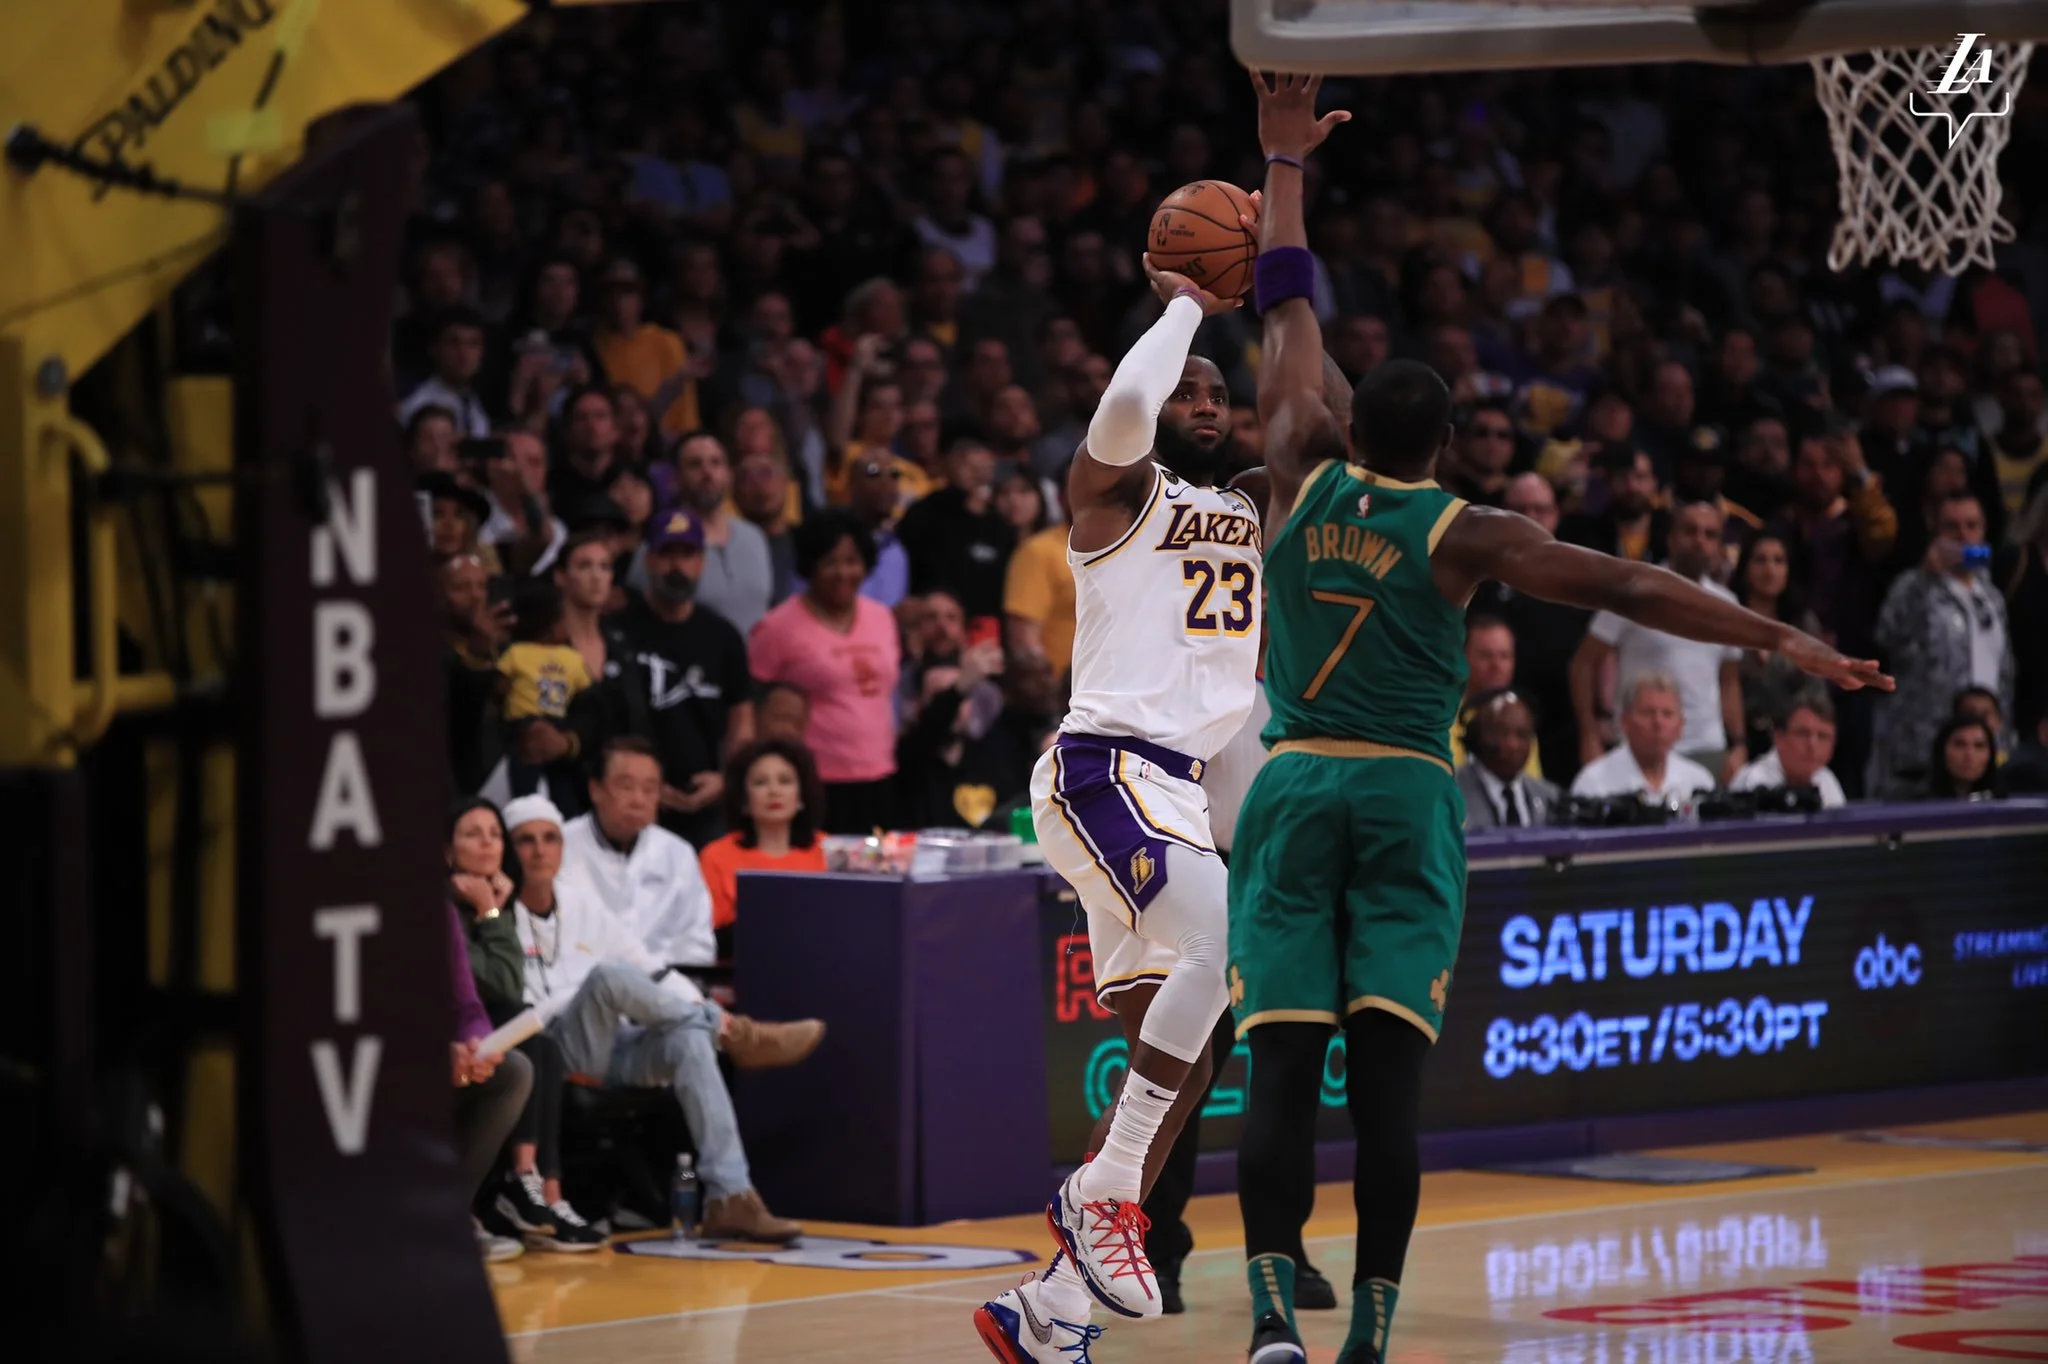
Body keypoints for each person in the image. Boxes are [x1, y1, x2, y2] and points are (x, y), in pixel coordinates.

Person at [1225, 72, 1886, 1364]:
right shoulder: (1470, 533)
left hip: (1294, 784)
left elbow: (1288, 298)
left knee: (1284, 1078)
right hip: (1410, 792)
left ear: (1356, 426)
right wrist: (1781, 637)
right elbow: (1638, 584)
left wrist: (1282, 158)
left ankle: (1263, 1325)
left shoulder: (1295, 463)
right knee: (1392, 1093)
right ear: (1448, 440)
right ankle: (1367, 1334)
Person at [973, 216, 1273, 1357]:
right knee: (1218, 934)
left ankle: (1046, 1312)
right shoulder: (1111, 498)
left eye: (1217, 393)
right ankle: (1102, 1194)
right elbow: (1120, 415)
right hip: (1104, 766)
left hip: (1176, 793)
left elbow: (1312, 411)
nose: (1205, 401)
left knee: (1193, 1047)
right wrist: (1188, 302)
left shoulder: (1249, 499)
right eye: (1185, 390)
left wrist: (1282, 201)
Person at [501, 794, 825, 1242]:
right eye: (526, 840)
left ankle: (730, 1196)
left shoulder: (579, 903)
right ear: (508, 850)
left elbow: (653, 968)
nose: (539, 850)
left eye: (550, 838)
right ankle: (735, 1033)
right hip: (552, 1050)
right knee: (609, 977)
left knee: (688, 1041)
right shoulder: (499, 914)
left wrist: (693, 1011)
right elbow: (520, 1011)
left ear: (562, 847)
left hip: (611, 1044)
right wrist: (584, 994)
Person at [606, 507, 754, 847]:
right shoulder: (617, 631)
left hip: (707, 803)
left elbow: (741, 722)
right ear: (648, 560)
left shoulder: (722, 635)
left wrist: (726, 779)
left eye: (687, 555)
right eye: (666, 555)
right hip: (631, 801)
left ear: (701, 562)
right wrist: (643, 786)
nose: (677, 567)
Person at [748, 511, 903, 833]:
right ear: (810, 566)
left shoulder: (882, 618)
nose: (843, 572)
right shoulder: (777, 627)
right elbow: (751, 705)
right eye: (830, 562)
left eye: (852, 561)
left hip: (883, 778)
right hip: (814, 783)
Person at [1571, 500, 1746, 782]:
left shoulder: (1727, 604)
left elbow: (1729, 681)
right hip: (1637, 744)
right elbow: (1583, 664)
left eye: (1709, 534)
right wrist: (1589, 736)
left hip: (1708, 747)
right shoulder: (1634, 590)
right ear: (1671, 537)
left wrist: (1738, 744)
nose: (1699, 541)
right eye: (1690, 531)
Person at [1869, 493, 2014, 796]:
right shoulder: (1912, 585)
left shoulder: (1991, 595)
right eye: (1953, 527)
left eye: (1972, 525)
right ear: (1935, 531)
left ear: (1984, 530)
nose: (1964, 535)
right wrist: (1925, 577)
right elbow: (1886, 636)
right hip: (1924, 750)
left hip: (1983, 750)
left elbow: (2004, 671)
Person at [443, 801, 538, 1262]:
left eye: (494, 834)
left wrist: (477, 1040)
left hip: (464, 1047)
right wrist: (491, 914)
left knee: (520, 1064)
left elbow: (471, 1002)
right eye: (472, 833)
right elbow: (502, 981)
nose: (486, 843)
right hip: (408, 1051)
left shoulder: (495, 905)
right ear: (445, 851)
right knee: (539, 1049)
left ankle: (455, 1209)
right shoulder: (445, 906)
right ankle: (528, 1186)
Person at [562, 737, 718, 969]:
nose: (638, 800)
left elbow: (697, 945)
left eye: (649, 789)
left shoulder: (677, 854)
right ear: (595, 790)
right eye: (626, 786)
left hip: (663, 991)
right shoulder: (560, 846)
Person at [695, 738, 829, 949]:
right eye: (760, 783)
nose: (774, 791)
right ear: (744, 801)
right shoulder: (716, 856)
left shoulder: (829, 850)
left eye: (785, 781)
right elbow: (708, 936)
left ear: (801, 796)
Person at [1731, 531, 1824, 758]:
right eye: (1760, 560)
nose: (1770, 570)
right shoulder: (1728, 621)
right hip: (1737, 745)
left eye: (1778, 561)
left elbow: (1816, 693)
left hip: (1794, 745)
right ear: (1745, 568)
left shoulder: (1804, 625)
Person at [675, 432, 776, 636]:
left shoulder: (755, 537)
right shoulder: (664, 543)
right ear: (677, 478)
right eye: (695, 464)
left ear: (729, 474)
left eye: (716, 463)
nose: (707, 472)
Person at [1568, 673, 1720, 806]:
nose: (1658, 723)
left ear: (1680, 725)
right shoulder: (1593, 783)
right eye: (1647, 713)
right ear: (1624, 722)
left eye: (1667, 714)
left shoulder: (1699, 782)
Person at [1456, 689, 1560, 829]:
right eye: (1501, 733)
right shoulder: (1450, 793)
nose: (1512, 744)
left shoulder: (1550, 798)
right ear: (1476, 736)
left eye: (1522, 734)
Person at [1730, 691, 1847, 808]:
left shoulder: (1826, 779)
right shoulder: (1754, 782)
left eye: (1822, 736)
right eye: (1803, 734)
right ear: (1779, 738)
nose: (1813, 745)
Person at [1923, 717, 2004, 799]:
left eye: (1979, 746)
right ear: (1942, 751)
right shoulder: (1918, 801)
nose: (1970, 755)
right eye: (1960, 745)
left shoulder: (2004, 800)